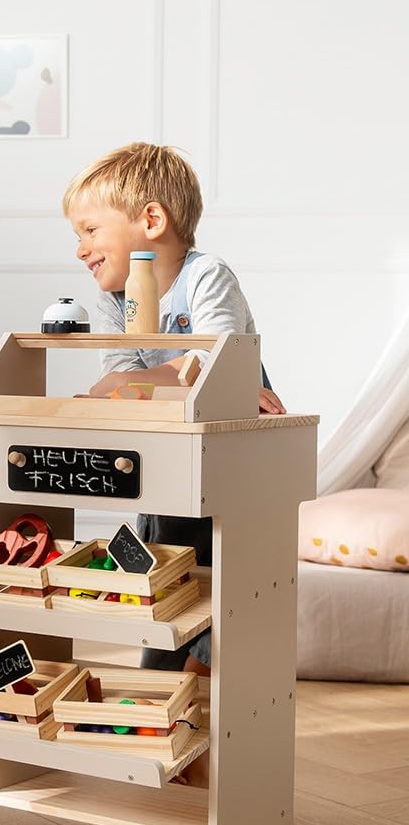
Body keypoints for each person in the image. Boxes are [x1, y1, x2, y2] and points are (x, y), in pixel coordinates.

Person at [62, 142, 285, 691]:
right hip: (165, 457)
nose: (81, 249)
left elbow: (217, 364)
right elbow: (117, 383)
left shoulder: (206, 276)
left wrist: (143, 384)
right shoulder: (114, 301)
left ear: (152, 220)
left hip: (233, 458)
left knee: (225, 575)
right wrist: (167, 378)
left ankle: (201, 684)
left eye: (90, 231)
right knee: (161, 568)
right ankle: (164, 694)